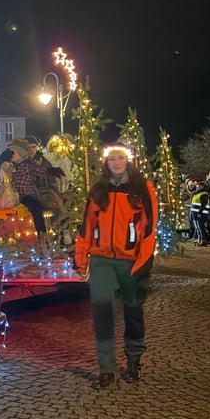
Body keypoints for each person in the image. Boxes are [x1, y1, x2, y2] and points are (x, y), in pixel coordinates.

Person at [74, 144, 158, 389]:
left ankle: (133, 361)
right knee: (102, 314)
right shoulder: (98, 190)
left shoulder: (143, 189)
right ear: (106, 161)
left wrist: (142, 263)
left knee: (133, 311)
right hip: (101, 261)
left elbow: (149, 228)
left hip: (131, 260)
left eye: (120, 157)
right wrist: (81, 258)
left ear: (127, 160)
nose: (116, 162)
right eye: (112, 158)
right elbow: (86, 226)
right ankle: (106, 369)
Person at [11, 137, 65, 238]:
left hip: (38, 193)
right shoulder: (11, 163)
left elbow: (44, 172)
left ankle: (50, 234)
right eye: (28, 148)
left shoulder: (35, 163)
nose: (30, 150)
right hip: (13, 194)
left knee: (46, 208)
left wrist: (52, 172)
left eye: (33, 147)